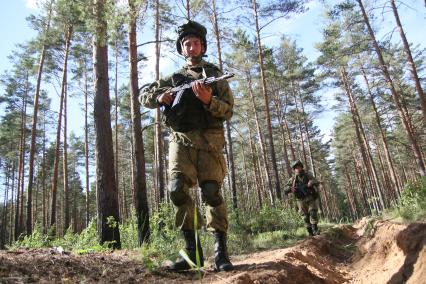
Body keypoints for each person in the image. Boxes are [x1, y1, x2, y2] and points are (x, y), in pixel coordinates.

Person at [139, 20, 234, 272]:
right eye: (187, 44)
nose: (191, 48)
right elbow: (144, 96)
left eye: (195, 43)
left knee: (212, 193)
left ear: (202, 47)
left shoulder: (215, 77)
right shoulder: (173, 78)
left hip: (210, 142)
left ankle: (221, 254)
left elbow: (228, 111)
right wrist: (159, 97)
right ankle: (192, 254)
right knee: (177, 189)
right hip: (180, 141)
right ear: (182, 49)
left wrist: (208, 100)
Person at [285, 160, 320, 236]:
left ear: (301, 167)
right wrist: (290, 189)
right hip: (300, 200)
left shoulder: (308, 175)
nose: (298, 169)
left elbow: (316, 181)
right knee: (305, 217)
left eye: (299, 167)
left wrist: (312, 182)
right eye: (296, 168)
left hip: (310, 197)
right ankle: (310, 233)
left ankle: (315, 230)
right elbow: (285, 189)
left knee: (313, 212)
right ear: (294, 169)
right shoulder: (292, 179)